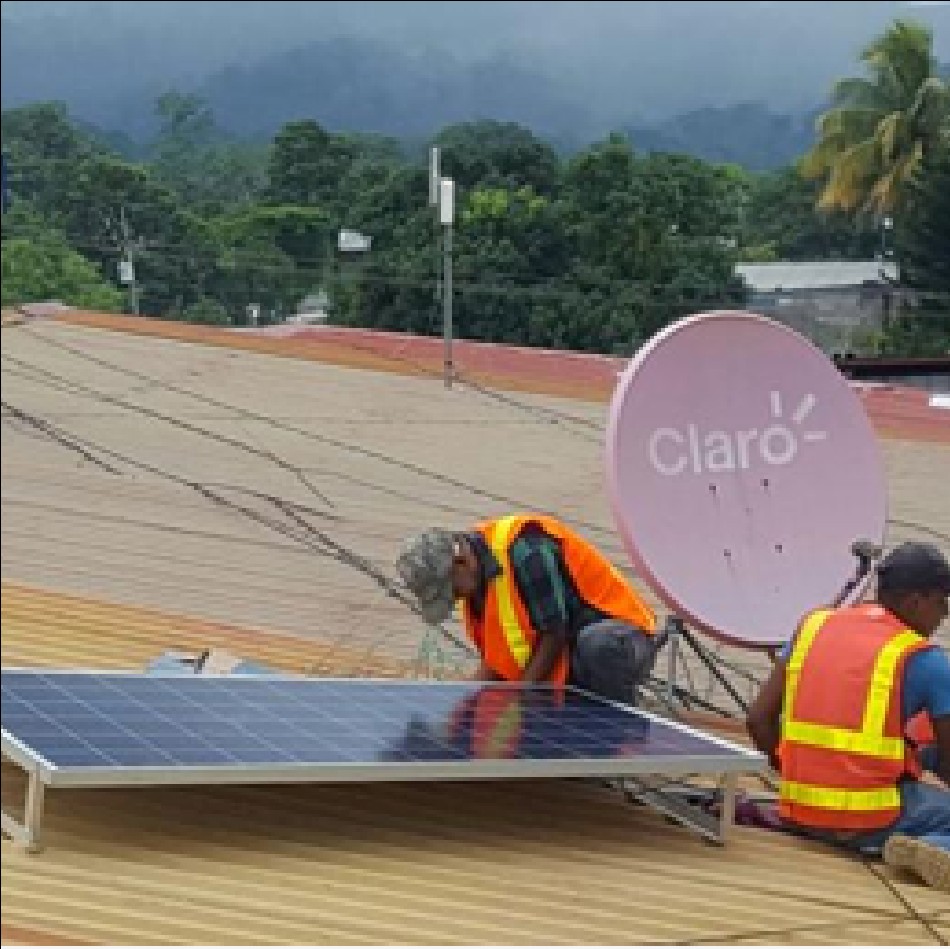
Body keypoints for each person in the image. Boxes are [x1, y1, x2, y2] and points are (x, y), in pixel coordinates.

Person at [746, 541, 950, 892]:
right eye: (942, 602)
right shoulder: (923, 658)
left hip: (798, 809)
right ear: (916, 602)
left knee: (922, 750)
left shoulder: (814, 625)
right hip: (867, 820)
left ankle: (914, 842)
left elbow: (758, 720)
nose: (944, 614)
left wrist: (801, 778)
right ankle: (934, 846)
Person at [395, 512, 658, 704]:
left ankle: (622, 738)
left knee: (597, 645)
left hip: (623, 640)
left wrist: (520, 697)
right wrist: (464, 702)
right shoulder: (478, 585)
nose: (453, 599)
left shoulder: (527, 551)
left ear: (461, 562)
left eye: (449, 590)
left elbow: (555, 632)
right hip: (569, 653)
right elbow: (498, 660)